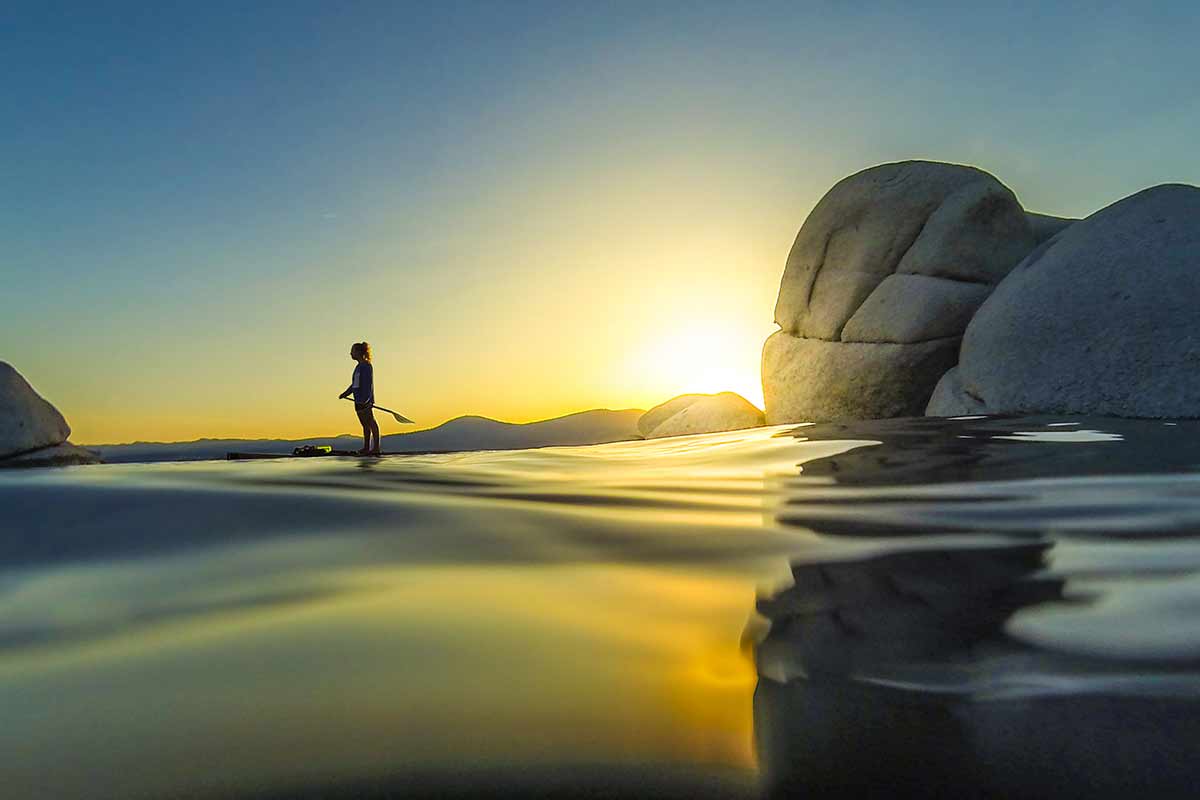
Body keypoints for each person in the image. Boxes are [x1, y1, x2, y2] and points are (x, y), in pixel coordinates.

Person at [338, 342, 380, 455]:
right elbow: (355, 384)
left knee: (371, 422)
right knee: (364, 424)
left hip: (364, 401)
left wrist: (366, 401)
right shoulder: (358, 367)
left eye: (353, 351)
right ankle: (366, 447)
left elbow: (367, 385)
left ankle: (376, 448)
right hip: (357, 400)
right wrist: (346, 393)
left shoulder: (366, 366)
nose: (350, 353)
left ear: (359, 352)